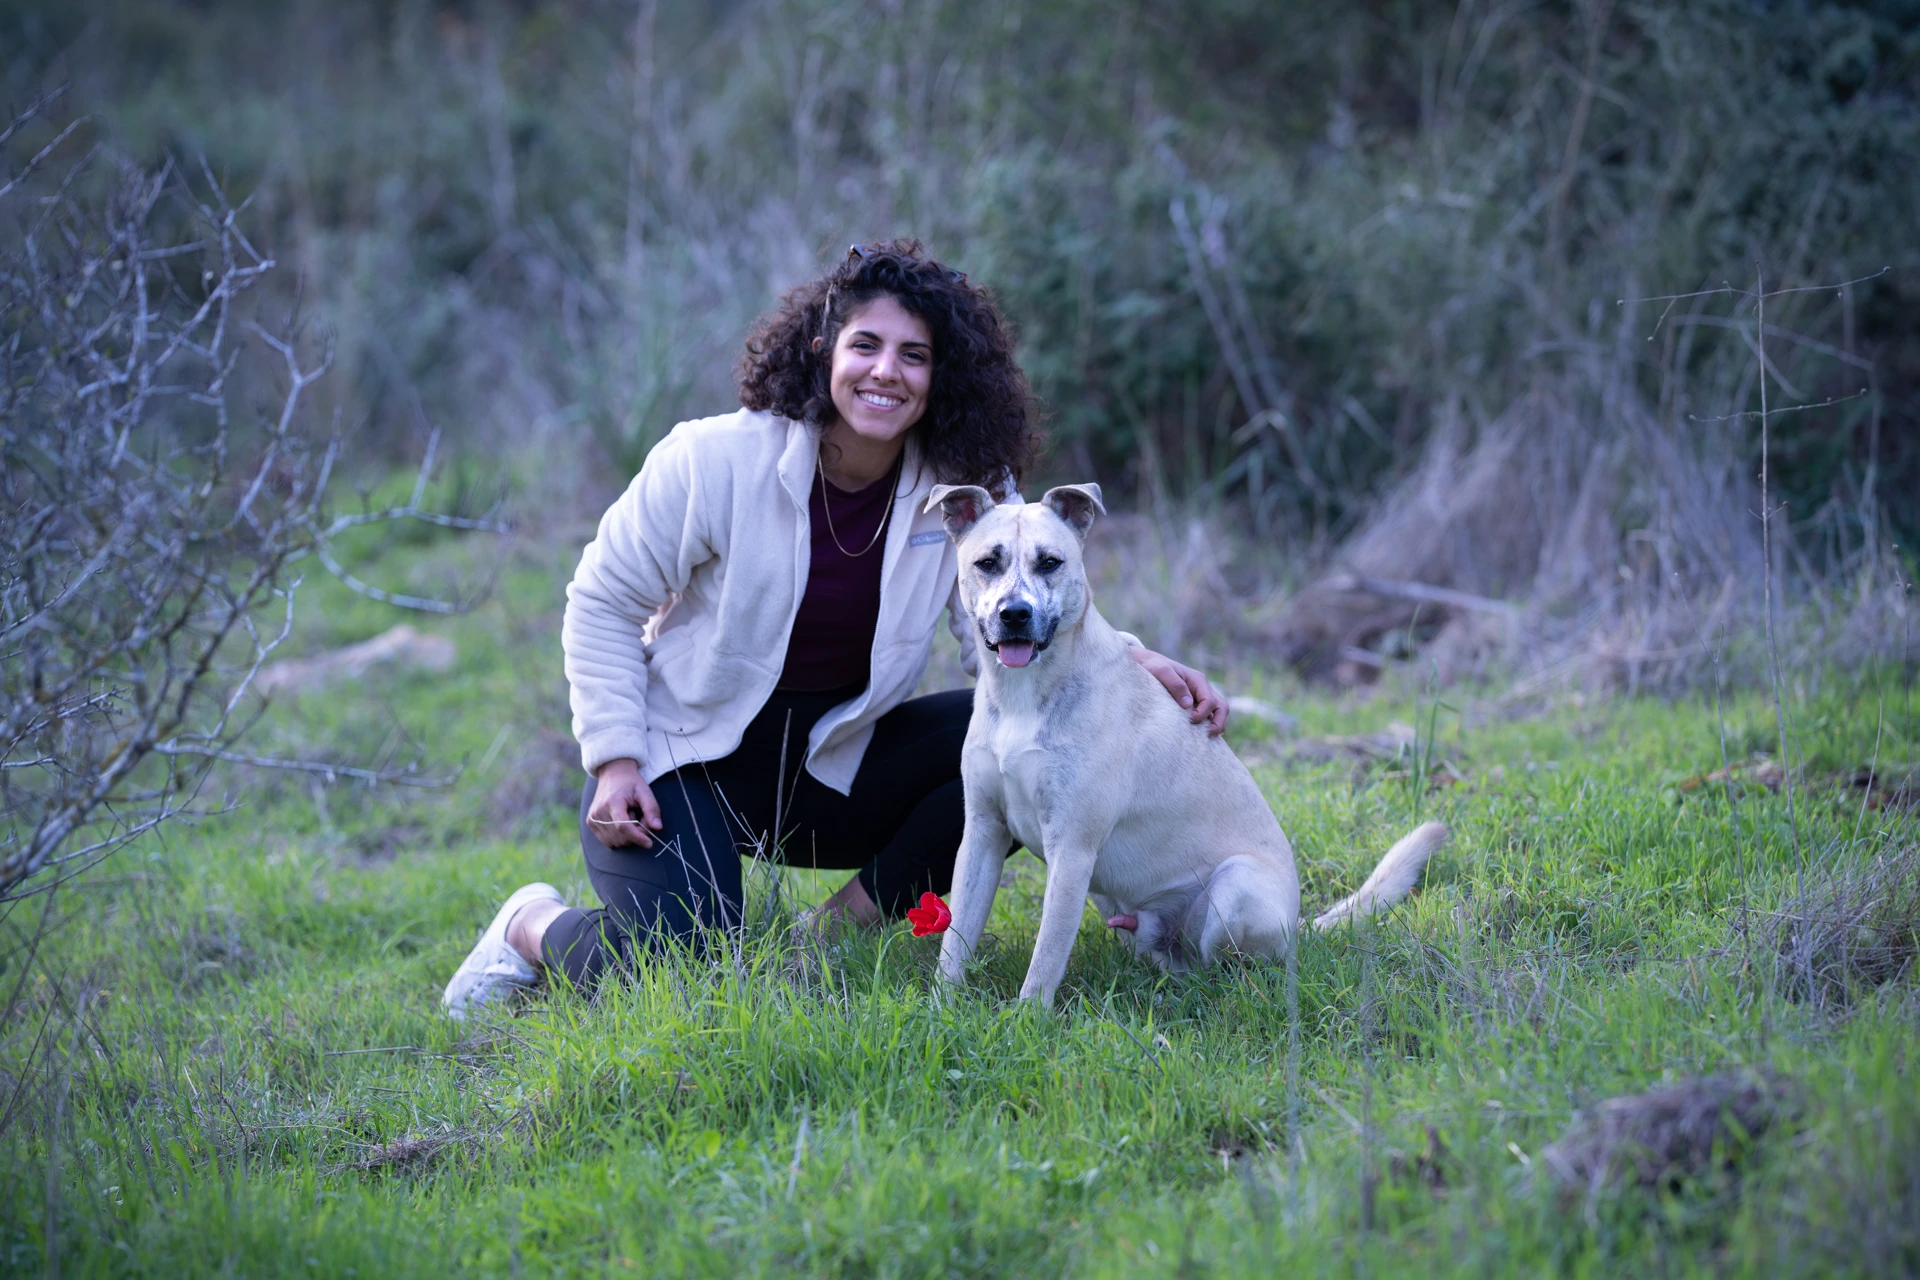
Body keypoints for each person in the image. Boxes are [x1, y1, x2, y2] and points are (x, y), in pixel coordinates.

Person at [442, 240, 1228, 1018]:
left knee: (1019, 742)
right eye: (866, 345)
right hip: (681, 758)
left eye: (914, 356)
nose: (886, 371)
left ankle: (825, 938)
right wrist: (616, 758)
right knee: (678, 973)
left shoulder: (960, 492)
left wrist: (1132, 664)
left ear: (941, 375)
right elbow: (602, 601)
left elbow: (1010, 624)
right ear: (824, 349)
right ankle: (528, 925)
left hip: (833, 762)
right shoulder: (713, 459)